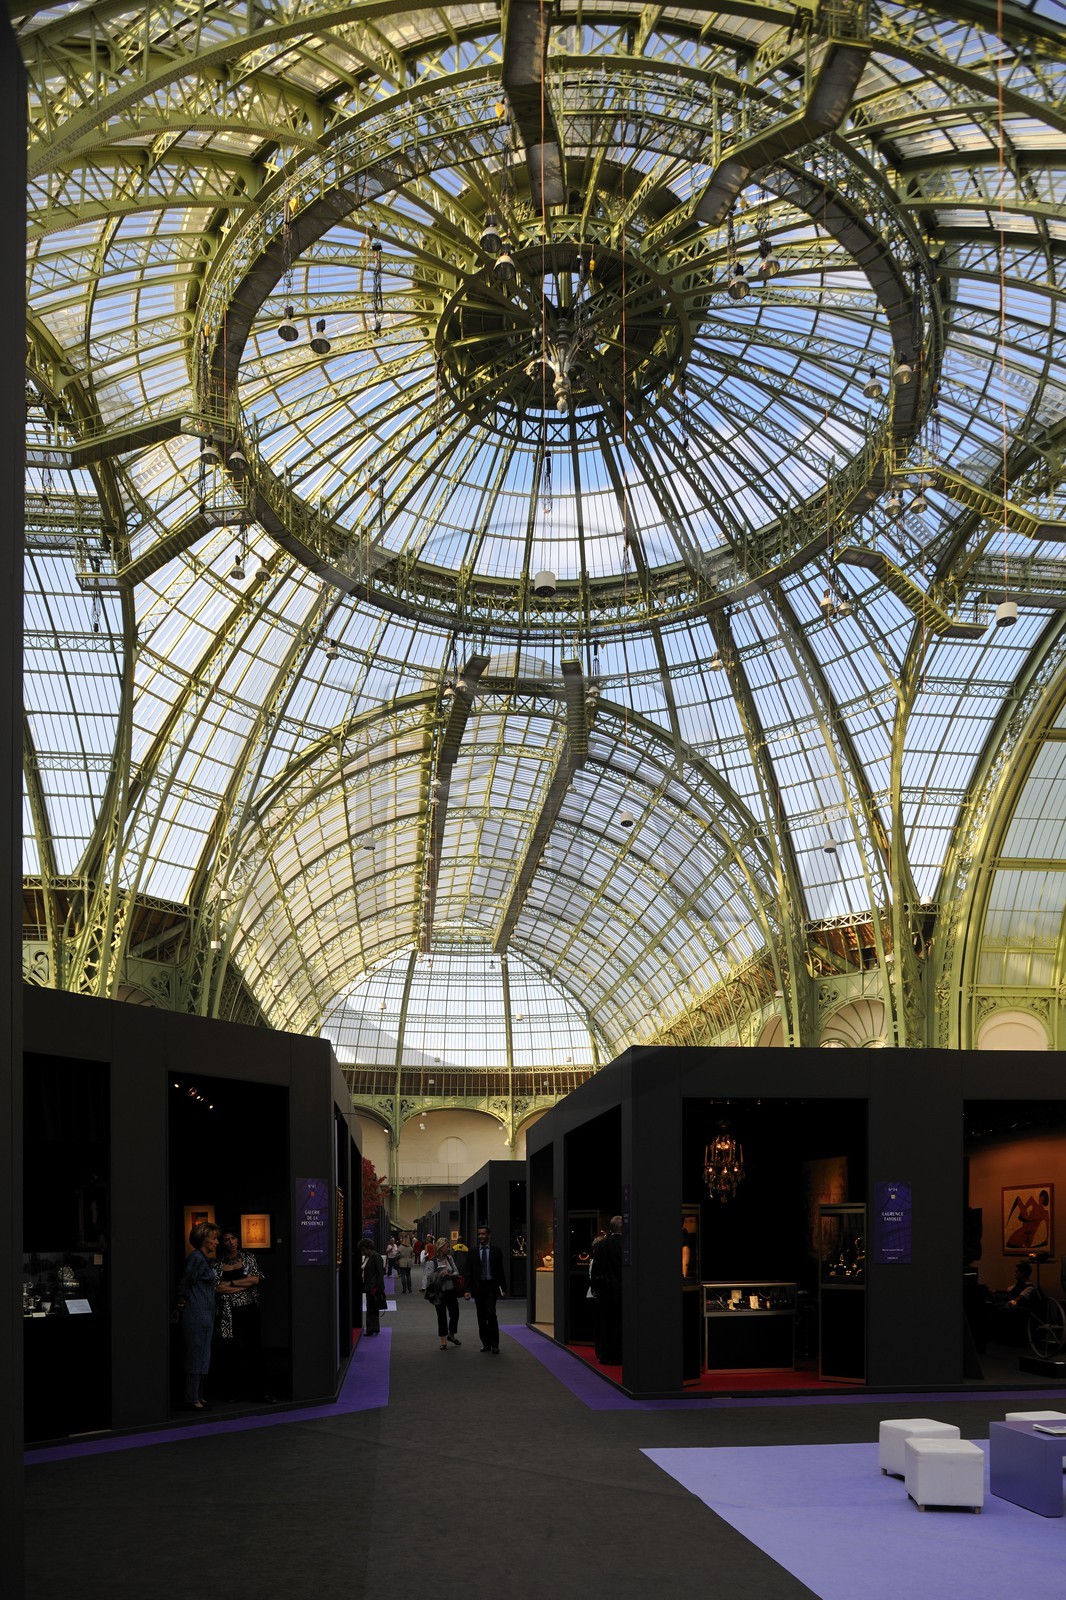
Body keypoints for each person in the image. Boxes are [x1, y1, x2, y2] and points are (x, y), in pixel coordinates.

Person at [213, 1228, 272, 1402]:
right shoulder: (217, 1263)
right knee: (231, 1351)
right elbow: (216, 1288)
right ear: (222, 1243)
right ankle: (234, 1392)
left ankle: (261, 1391)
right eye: (226, 1239)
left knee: (254, 1349)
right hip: (227, 1312)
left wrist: (230, 1283)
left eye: (233, 1238)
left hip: (249, 1309)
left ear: (238, 1239)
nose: (230, 1242)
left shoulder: (248, 1257)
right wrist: (242, 1286)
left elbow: (255, 1280)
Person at [176, 1221, 220, 1410]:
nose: (217, 1242)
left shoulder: (203, 1259)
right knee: (195, 1354)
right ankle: (192, 1397)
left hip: (205, 1313)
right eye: (214, 1239)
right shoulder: (196, 1258)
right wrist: (181, 1303)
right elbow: (185, 1283)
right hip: (197, 1312)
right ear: (203, 1240)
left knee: (202, 1354)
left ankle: (198, 1395)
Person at [465, 1224, 507, 1353]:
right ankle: (486, 1343)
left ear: (489, 1235)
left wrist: (503, 1288)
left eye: (483, 1234)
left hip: (491, 1287)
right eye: (479, 1234)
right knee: (481, 1316)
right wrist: (466, 1290)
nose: (480, 1236)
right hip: (478, 1288)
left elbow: (500, 1271)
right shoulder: (472, 1252)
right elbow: (469, 1272)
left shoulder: (496, 1251)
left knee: (491, 1314)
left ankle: (495, 1344)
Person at [590, 1214, 623, 1365]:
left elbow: (596, 1270)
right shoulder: (628, 1245)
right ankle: (620, 1355)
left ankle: (606, 1355)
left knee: (606, 1324)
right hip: (623, 1291)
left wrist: (596, 1289)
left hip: (607, 1291)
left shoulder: (603, 1245)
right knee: (621, 1324)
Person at [423, 1236, 462, 1349]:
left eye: (449, 1246)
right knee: (441, 1316)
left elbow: (457, 1272)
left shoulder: (450, 1258)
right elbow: (428, 1277)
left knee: (455, 1314)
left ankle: (451, 1334)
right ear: (440, 1247)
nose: (449, 1248)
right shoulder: (432, 1261)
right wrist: (440, 1275)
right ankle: (443, 1340)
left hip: (450, 1290)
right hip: (438, 1293)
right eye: (447, 1247)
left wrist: (450, 1275)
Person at [360, 1237, 385, 1336]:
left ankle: (372, 1329)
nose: (362, 1251)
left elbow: (380, 1273)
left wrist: (378, 1287)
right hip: (368, 1286)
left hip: (374, 1287)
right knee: (370, 1307)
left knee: (373, 1308)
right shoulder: (367, 1257)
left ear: (368, 1247)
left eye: (363, 1249)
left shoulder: (376, 1257)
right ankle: (372, 1328)